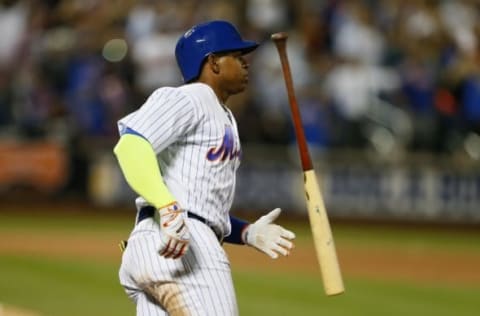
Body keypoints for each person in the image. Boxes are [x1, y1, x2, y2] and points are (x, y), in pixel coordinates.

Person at [113, 20, 296, 315]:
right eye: (236, 56)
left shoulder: (221, 114)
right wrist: (168, 206)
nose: (245, 64)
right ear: (212, 63)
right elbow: (130, 145)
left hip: (167, 241)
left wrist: (247, 233)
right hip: (183, 245)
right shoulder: (190, 98)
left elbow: (200, 202)